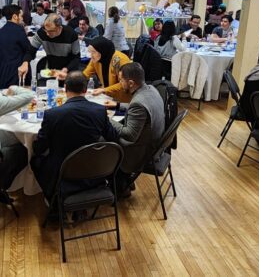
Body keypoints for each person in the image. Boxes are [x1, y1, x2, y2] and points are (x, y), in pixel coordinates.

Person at [32, 71, 120, 200]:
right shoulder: (100, 110)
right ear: (85, 90)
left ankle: (53, 198)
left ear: (65, 88)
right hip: (93, 168)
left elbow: (39, 148)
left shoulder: (52, 114)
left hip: (62, 170)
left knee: (35, 160)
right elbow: (113, 137)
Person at [110, 63, 165, 194]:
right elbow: (139, 108)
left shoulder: (138, 103)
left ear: (130, 83)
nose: (119, 83)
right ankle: (123, 183)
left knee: (104, 139)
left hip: (141, 151)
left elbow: (129, 134)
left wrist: (107, 120)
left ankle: (116, 185)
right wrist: (117, 105)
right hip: (155, 143)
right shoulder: (151, 89)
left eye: (121, 80)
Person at [79, 37, 133, 104]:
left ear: (102, 50)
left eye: (93, 52)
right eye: (90, 52)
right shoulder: (96, 59)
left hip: (123, 100)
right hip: (108, 97)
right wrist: (73, 81)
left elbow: (125, 83)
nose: (91, 56)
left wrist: (104, 90)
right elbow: (85, 74)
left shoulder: (120, 60)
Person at [0, 5, 36, 88]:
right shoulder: (18, 30)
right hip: (17, 72)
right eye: (21, 16)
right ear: (14, 16)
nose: (22, 18)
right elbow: (28, 49)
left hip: (2, 71)